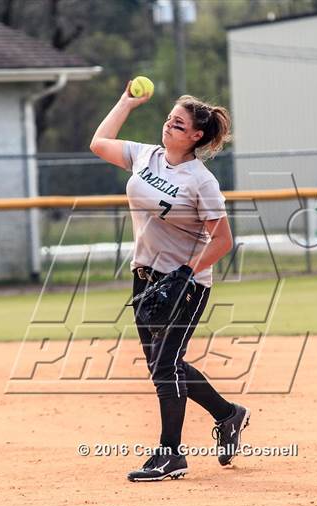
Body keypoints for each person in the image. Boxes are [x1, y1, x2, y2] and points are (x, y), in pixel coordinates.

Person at [90, 80, 250, 482]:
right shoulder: (147, 157)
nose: (168, 127)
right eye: (168, 120)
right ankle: (229, 414)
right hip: (145, 277)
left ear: (197, 136)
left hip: (186, 284)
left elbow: (223, 240)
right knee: (165, 366)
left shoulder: (201, 181)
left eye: (178, 125)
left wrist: (185, 273)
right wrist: (126, 102)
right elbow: (99, 143)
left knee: (165, 367)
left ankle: (171, 455)